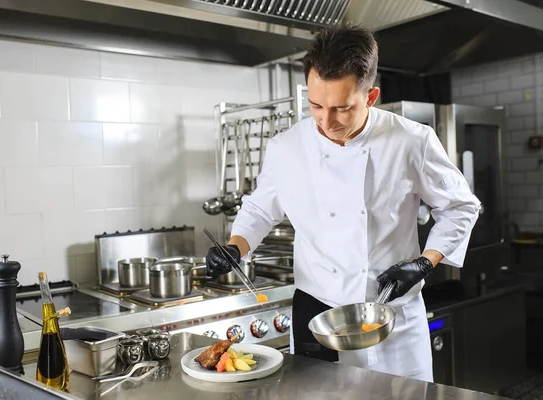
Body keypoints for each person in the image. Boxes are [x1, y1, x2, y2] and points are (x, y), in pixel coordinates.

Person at [205, 24, 481, 382]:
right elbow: (260, 209)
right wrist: (235, 247)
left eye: (341, 108)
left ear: (370, 96)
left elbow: (461, 206)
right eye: (315, 105)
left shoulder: (412, 141)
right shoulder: (286, 147)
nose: (326, 121)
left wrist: (425, 264)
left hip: (391, 313)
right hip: (317, 312)